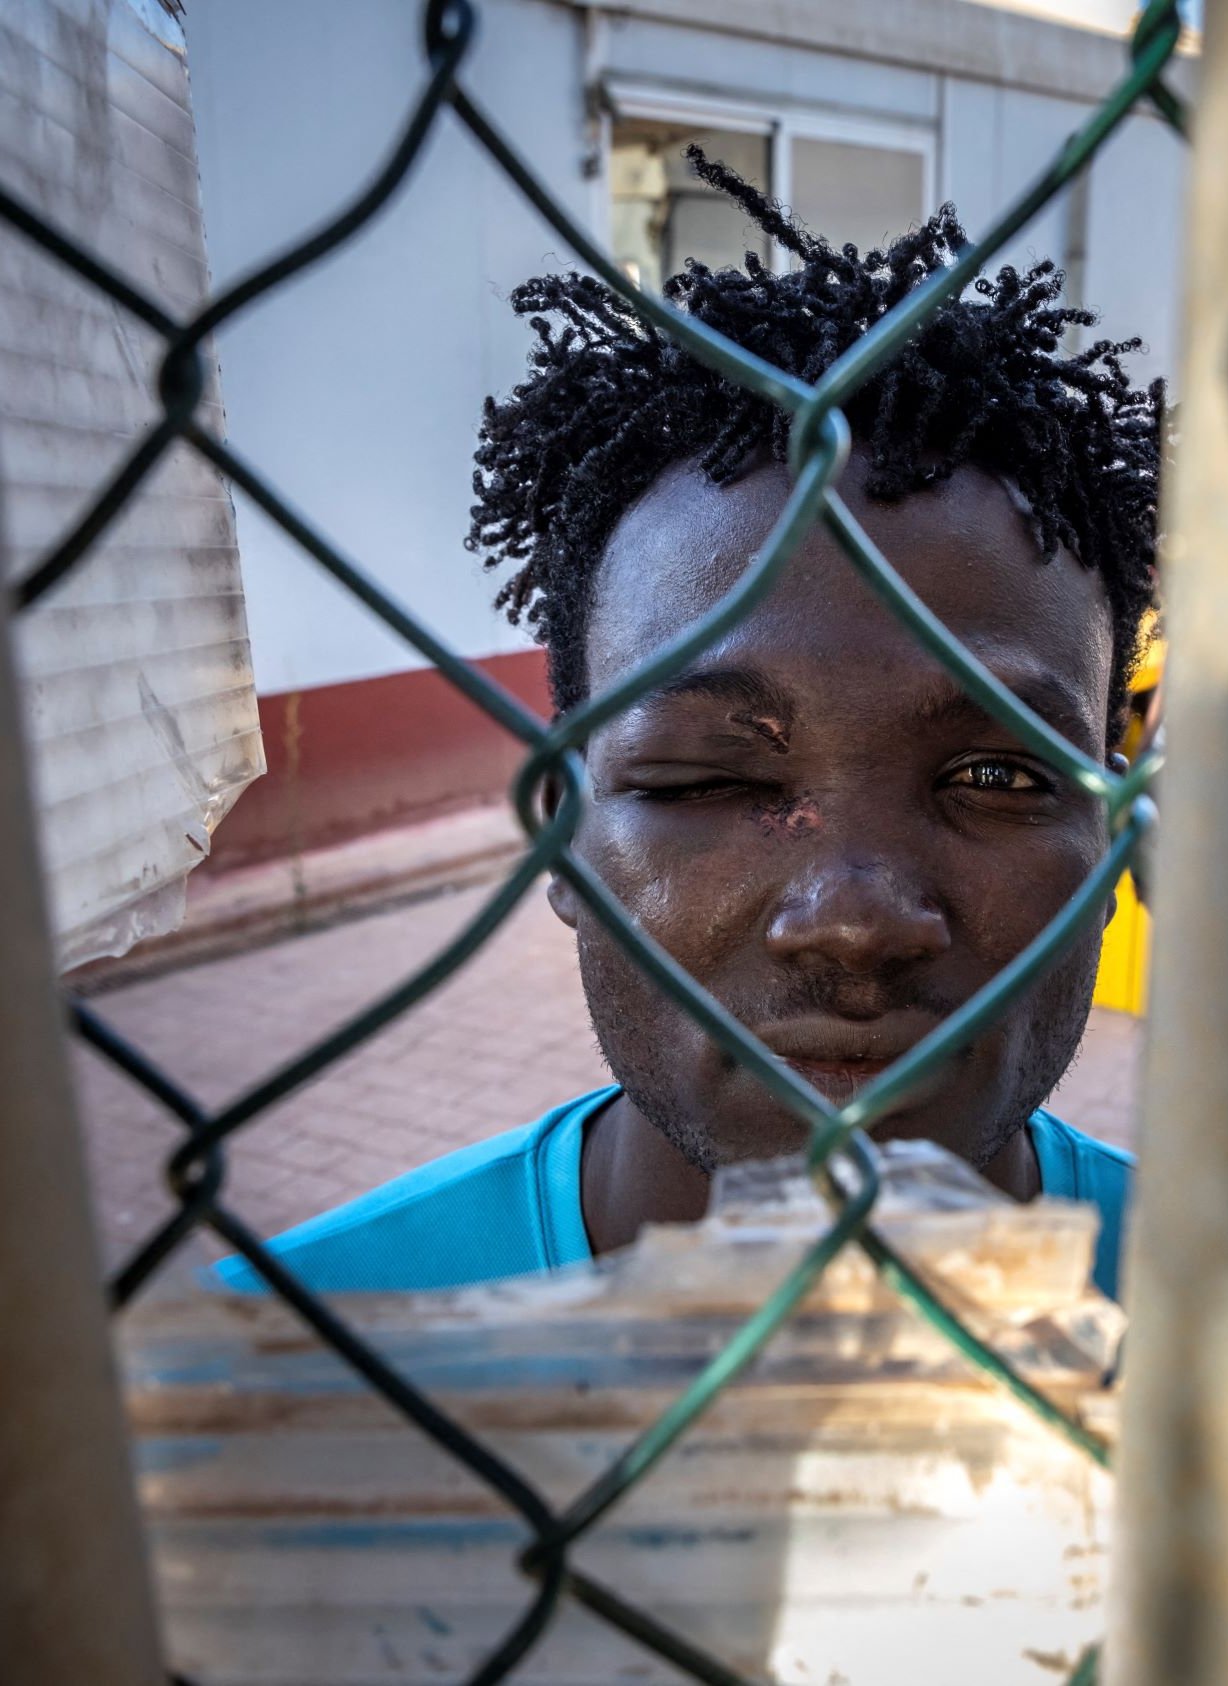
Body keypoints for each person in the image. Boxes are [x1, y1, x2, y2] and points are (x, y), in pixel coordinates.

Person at [221, 153, 1163, 1301]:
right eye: (707, 779)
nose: (856, 921)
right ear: (563, 832)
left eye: (997, 776)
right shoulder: (292, 1340)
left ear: (1113, 835)